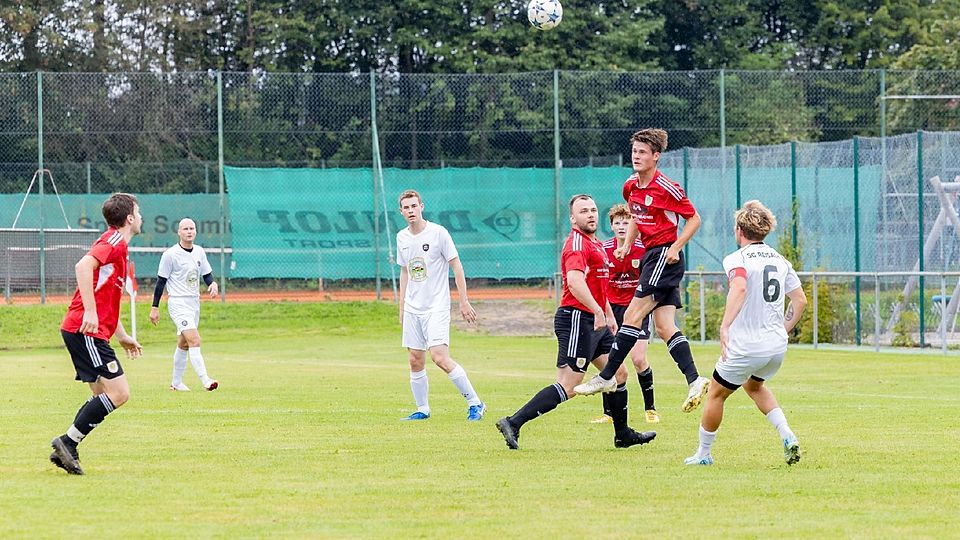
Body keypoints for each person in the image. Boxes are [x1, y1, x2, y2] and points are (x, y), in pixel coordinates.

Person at [495, 194, 656, 450]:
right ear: (572, 218)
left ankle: (622, 434)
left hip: (595, 320)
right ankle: (513, 422)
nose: (590, 214)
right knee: (570, 385)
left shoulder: (596, 244)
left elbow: (598, 286)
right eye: (583, 211)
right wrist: (597, 311)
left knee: (619, 373)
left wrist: (609, 315)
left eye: (593, 210)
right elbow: (575, 282)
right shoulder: (577, 244)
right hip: (577, 319)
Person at [575, 128, 710, 414]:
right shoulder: (630, 187)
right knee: (664, 326)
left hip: (663, 256)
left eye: (643, 152)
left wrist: (676, 246)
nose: (636, 156)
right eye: (634, 151)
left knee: (633, 315)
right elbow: (636, 215)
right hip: (652, 255)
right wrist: (626, 243)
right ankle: (695, 379)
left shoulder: (667, 188)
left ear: (656, 157)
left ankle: (605, 375)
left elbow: (694, 219)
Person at [684, 200, 807, 466]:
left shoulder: (737, 258)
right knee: (754, 385)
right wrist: (782, 330)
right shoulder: (780, 259)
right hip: (775, 347)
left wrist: (724, 326)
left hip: (746, 345)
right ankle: (787, 435)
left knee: (716, 393)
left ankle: (703, 454)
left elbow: (739, 287)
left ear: (739, 229)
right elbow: (800, 300)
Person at [50, 193, 145, 475]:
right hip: (85, 329)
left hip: (85, 330)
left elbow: (107, 299)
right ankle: (67, 442)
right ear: (129, 218)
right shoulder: (114, 241)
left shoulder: (120, 248)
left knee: (101, 393)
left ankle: (67, 446)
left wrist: (123, 334)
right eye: (138, 212)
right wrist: (90, 313)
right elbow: (83, 266)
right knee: (119, 393)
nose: (140, 217)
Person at [396, 189, 485, 421]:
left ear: (421, 207)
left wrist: (463, 301)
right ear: (401, 211)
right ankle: (422, 409)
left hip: (436, 305)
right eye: (406, 208)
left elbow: (456, 266)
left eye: (414, 206)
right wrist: (402, 307)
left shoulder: (438, 233)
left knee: (439, 357)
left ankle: (476, 403)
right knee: (415, 359)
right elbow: (405, 271)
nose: (411, 211)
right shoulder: (401, 237)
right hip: (413, 307)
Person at [591, 204, 659, 424]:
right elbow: (598, 284)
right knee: (611, 361)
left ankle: (650, 408)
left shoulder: (641, 249)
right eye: (617, 222)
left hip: (637, 310)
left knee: (639, 359)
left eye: (626, 222)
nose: (622, 226)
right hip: (613, 311)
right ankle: (608, 413)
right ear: (610, 226)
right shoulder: (603, 249)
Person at [149, 218, 220, 392]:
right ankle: (206, 380)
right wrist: (154, 307)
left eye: (192, 228)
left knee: (184, 343)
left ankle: (176, 383)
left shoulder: (199, 252)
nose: (189, 231)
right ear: (179, 232)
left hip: (194, 303)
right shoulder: (170, 254)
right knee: (195, 339)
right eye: (185, 229)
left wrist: (212, 284)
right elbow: (160, 282)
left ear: (195, 231)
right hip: (178, 302)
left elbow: (207, 274)